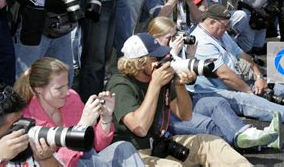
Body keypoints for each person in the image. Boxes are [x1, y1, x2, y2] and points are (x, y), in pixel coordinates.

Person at [106, 33, 253, 166]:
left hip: (158, 146)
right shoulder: (120, 84)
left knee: (211, 143)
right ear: (139, 62)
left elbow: (185, 115)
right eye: (155, 58)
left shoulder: (156, 76)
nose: (161, 61)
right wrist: (155, 85)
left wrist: (180, 85)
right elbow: (140, 128)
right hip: (132, 155)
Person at [147, 17, 281, 149]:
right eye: (169, 38)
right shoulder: (148, 57)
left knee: (217, 102)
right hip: (163, 114)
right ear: (154, 37)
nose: (174, 41)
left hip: (183, 103)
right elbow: (158, 78)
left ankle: (244, 134)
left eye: (175, 36)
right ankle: (262, 143)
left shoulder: (173, 54)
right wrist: (172, 54)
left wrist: (190, 56)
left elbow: (189, 85)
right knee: (210, 125)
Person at [189, 4, 284, 125]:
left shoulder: (219, 33)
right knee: (246, 98)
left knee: (262, 82)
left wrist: (258, 76)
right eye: (225, 26)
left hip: (231, 80)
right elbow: (224, 76)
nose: (227, 29)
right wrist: (250, 92)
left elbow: (241, 53)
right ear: (212, 22)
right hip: (212, 91)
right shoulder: (202, 42)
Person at [14, 57, 144, 166]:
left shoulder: (72, 98)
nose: (66, 92)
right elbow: (59, 163)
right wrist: (81, 127)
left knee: (124, 148)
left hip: (86, 159)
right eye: (59, 88)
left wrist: (106, 118)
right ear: (38, 89)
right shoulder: (27, 118)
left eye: (67, 85)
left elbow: (97, 145)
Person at [0, 83, 61, 166]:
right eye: (15, 124)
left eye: (22, 118)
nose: (24, 126)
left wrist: (46, 160)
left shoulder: (28, 141)